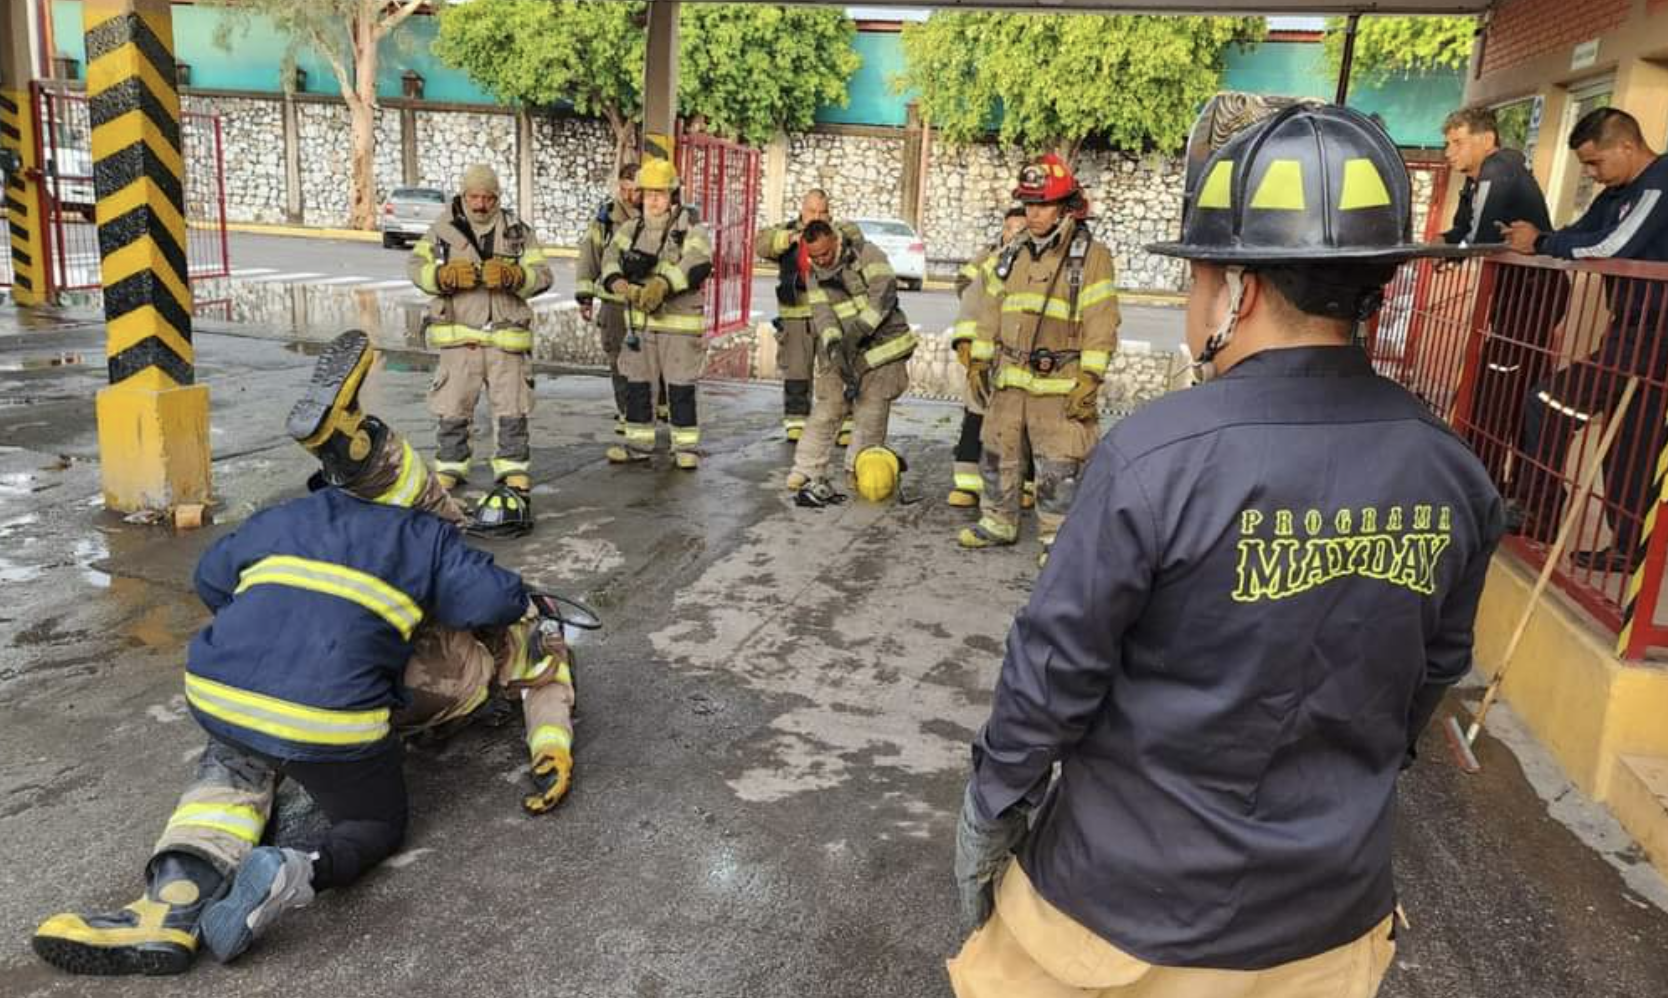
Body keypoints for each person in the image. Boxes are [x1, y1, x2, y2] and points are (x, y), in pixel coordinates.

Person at [949, 104, 1504, 998]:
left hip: (1118, 922)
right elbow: (1426, 680)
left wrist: (990, 809)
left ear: (1237, 288)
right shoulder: (1453, 471)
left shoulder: (1156, 457)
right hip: (1325, 927)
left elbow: (1054, 671)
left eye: (1200, 277)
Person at [32, 330, 578, 975]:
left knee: (234, 773)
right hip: (345, 712)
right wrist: (552, 745)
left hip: (223, 688)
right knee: (374, 824)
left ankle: (166, 907)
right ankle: (293, 872)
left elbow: (210, 581)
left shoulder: (284, 517)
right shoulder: (430, 538)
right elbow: (495, 608)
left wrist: (280, 631)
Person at [1502, 107, 1668, 569]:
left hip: (1656, 331)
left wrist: (1540, 244)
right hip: (1630, 326)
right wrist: (1538, 239)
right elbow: (1577, 235)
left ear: (1627, 146)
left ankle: (1539, 512)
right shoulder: (1616, 191)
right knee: (1630, 441)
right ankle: (1629, 545)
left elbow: (1612, 246)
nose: (1592, 175)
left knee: (1549, 401)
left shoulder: (1661, 182)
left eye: (1596, 163)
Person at [959, 154, 1120, 567]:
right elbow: (990, 311)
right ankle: (997, 521)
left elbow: (1101, 319)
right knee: (998, 450)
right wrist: (979, 361)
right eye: (1028, 204)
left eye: (1043, 204)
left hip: (1060, 383)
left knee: (1060, 464)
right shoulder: (1012, 253)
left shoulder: (1090, 257)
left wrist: (1091, 377)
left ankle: (1059, 537)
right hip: (1011, 380)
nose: (1033, 214)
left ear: (1067, 206)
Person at [406, 163, 553, 523]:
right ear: (463, 194)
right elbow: (415, 267)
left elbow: (543, 275)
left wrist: (515, 276)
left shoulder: (517, 232)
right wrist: (442, 275)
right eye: (475, 196)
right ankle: (451, 465)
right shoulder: (441, 230)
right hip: (459, 336)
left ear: (497, 197)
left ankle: (512, 467)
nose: (482, 204)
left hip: (506, 336)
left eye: (489, 197)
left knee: (512, 407)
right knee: (453, 405)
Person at [1439, 106, 1568, 487]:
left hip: (1532, 295)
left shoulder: (1498, 170)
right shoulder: (1475, 180)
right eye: (1448, 144)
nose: (1450, 153)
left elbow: (1475, 238)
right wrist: (1441, 246)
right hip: (1514, 294)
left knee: (1498, 389)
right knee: (1507, 387)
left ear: (1486, 140)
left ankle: (1486, 479)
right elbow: (1460, 231)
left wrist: (1450, 251)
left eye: (1458, 143)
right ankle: (1500, 480)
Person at [782, 219, 917, 498]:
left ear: (835, 240)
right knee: (828, 404)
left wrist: (857, 333)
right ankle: (806, 469)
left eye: (825, 254)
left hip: (884, 348)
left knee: (870, 410)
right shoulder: (814, 271)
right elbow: (822, 313)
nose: (821, 260)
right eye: (814, 256)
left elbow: (884, 295)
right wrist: (834, 347)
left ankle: (859, 471)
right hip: (845, 347)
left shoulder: (868, 254)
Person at [600, 158, 714, 470]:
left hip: (679, 324)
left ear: (672, 195)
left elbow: (698, 262)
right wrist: (623, 286)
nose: (652, 200)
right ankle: (637, 444)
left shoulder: (690, 228)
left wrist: (663, 285)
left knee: (680, 386)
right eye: (648, 193)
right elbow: (609, 258)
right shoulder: (630, 229)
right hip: (641, 323)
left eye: (660, 194)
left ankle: (685, 448)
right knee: (637, 384)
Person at [757, 190, 865, 444]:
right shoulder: (786, 231)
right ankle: (797, 423)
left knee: (839, 369)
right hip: (796, 315)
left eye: (822, 212)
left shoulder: (840, 233)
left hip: (831, 314)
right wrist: (790, 239)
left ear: (829, 213)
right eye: (811, 211)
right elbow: (762, 243)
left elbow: (857, 242)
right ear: (801, 211)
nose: (816, 216)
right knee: (796, 369)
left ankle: (844, 423)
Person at [948, 207, 1027, 508]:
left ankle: (1024, 483)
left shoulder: (1039, 264)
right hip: (986, 353)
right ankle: (967, 482)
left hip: (1020, 358)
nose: (1015, 235)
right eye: (1010, 229)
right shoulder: (991, 261)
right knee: (975, 415)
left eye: (1021, 229)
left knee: (1023, 423)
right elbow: (970, 298)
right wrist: (967, 346)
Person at [576, 163, 642, 431]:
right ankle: (626, 412)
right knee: (618, 360)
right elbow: (589, 257)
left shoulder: (657, 217)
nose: (628, 196)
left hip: (646, 303)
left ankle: (648, 411)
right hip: (614, 305)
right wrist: (585, 297)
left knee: (648, 361)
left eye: (634, 190)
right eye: (624, 189)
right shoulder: (605, 221)